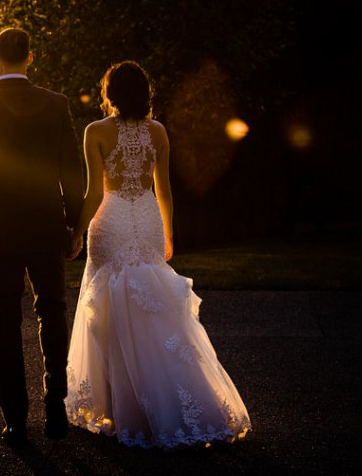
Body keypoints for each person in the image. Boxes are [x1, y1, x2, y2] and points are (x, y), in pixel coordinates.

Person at [65, 60, 251, 448]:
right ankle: (167, 406)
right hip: (146, 217)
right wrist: (169, 234)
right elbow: (164, 190)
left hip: (111, 219)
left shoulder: (95, 131)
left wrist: (76, 233)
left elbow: (95, 193)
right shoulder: (158, 131)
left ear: (109, 93)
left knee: (110, 309)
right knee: (154, 310)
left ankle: (120, 409)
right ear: (144, 93)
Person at [0, 28, 85, 449]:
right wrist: (75, 225)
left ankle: (15, 420)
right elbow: (72, 170)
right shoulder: (56, 104)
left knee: (4, 325)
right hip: (46, 225)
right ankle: (56, 404)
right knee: (53, 313)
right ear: (30, 58)